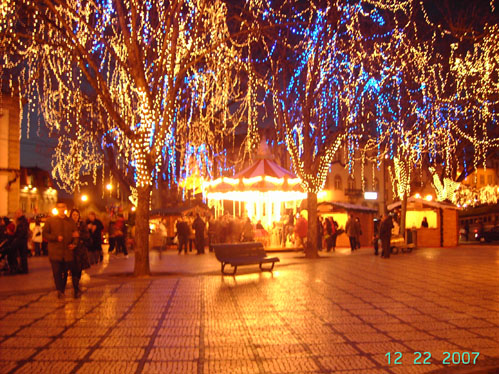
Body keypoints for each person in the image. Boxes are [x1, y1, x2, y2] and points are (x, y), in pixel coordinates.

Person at [43, 203, 80, 299]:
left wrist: (74, 244)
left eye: (63, 207)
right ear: (56, 209)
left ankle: (62, 289)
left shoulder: (70, 221)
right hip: (55, 251)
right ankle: (59, 290)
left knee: (64, 272)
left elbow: (76, 234)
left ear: (65, 209)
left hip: (67, 252)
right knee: (56, 272)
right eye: (59, 207)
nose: (61, 209)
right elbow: (45, 234)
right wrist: (55, 238)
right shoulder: (50, 221)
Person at [70, 209, 91, 291]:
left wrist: (79, 234)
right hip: (71, 249)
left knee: (79, 269)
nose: (75, 216)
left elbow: (87, 235)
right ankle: (75, 287)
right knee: (73, 269)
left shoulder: (82, 224)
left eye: (76, 215)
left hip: (80, 250)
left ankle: (76, 285)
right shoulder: (68, 224)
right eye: (73, 215)